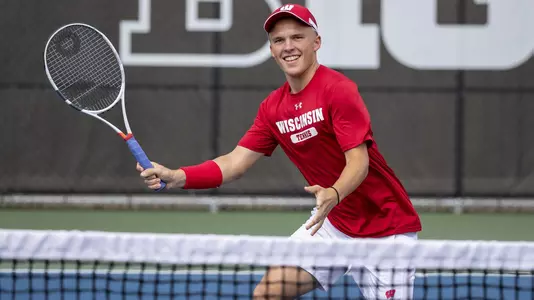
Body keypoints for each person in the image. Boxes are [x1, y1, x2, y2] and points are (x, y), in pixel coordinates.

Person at [137, 3, 422, 299]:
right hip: (333, 225)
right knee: (268, 293)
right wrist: (176, 176)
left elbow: (358, 163)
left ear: (316, 43)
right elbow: (234, 163)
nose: (288, 47)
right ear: (272, 51)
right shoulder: (273, 109)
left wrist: (334, 194)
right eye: (279, 40)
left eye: (297, 37)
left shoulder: (338, 90)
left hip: (386, 228)